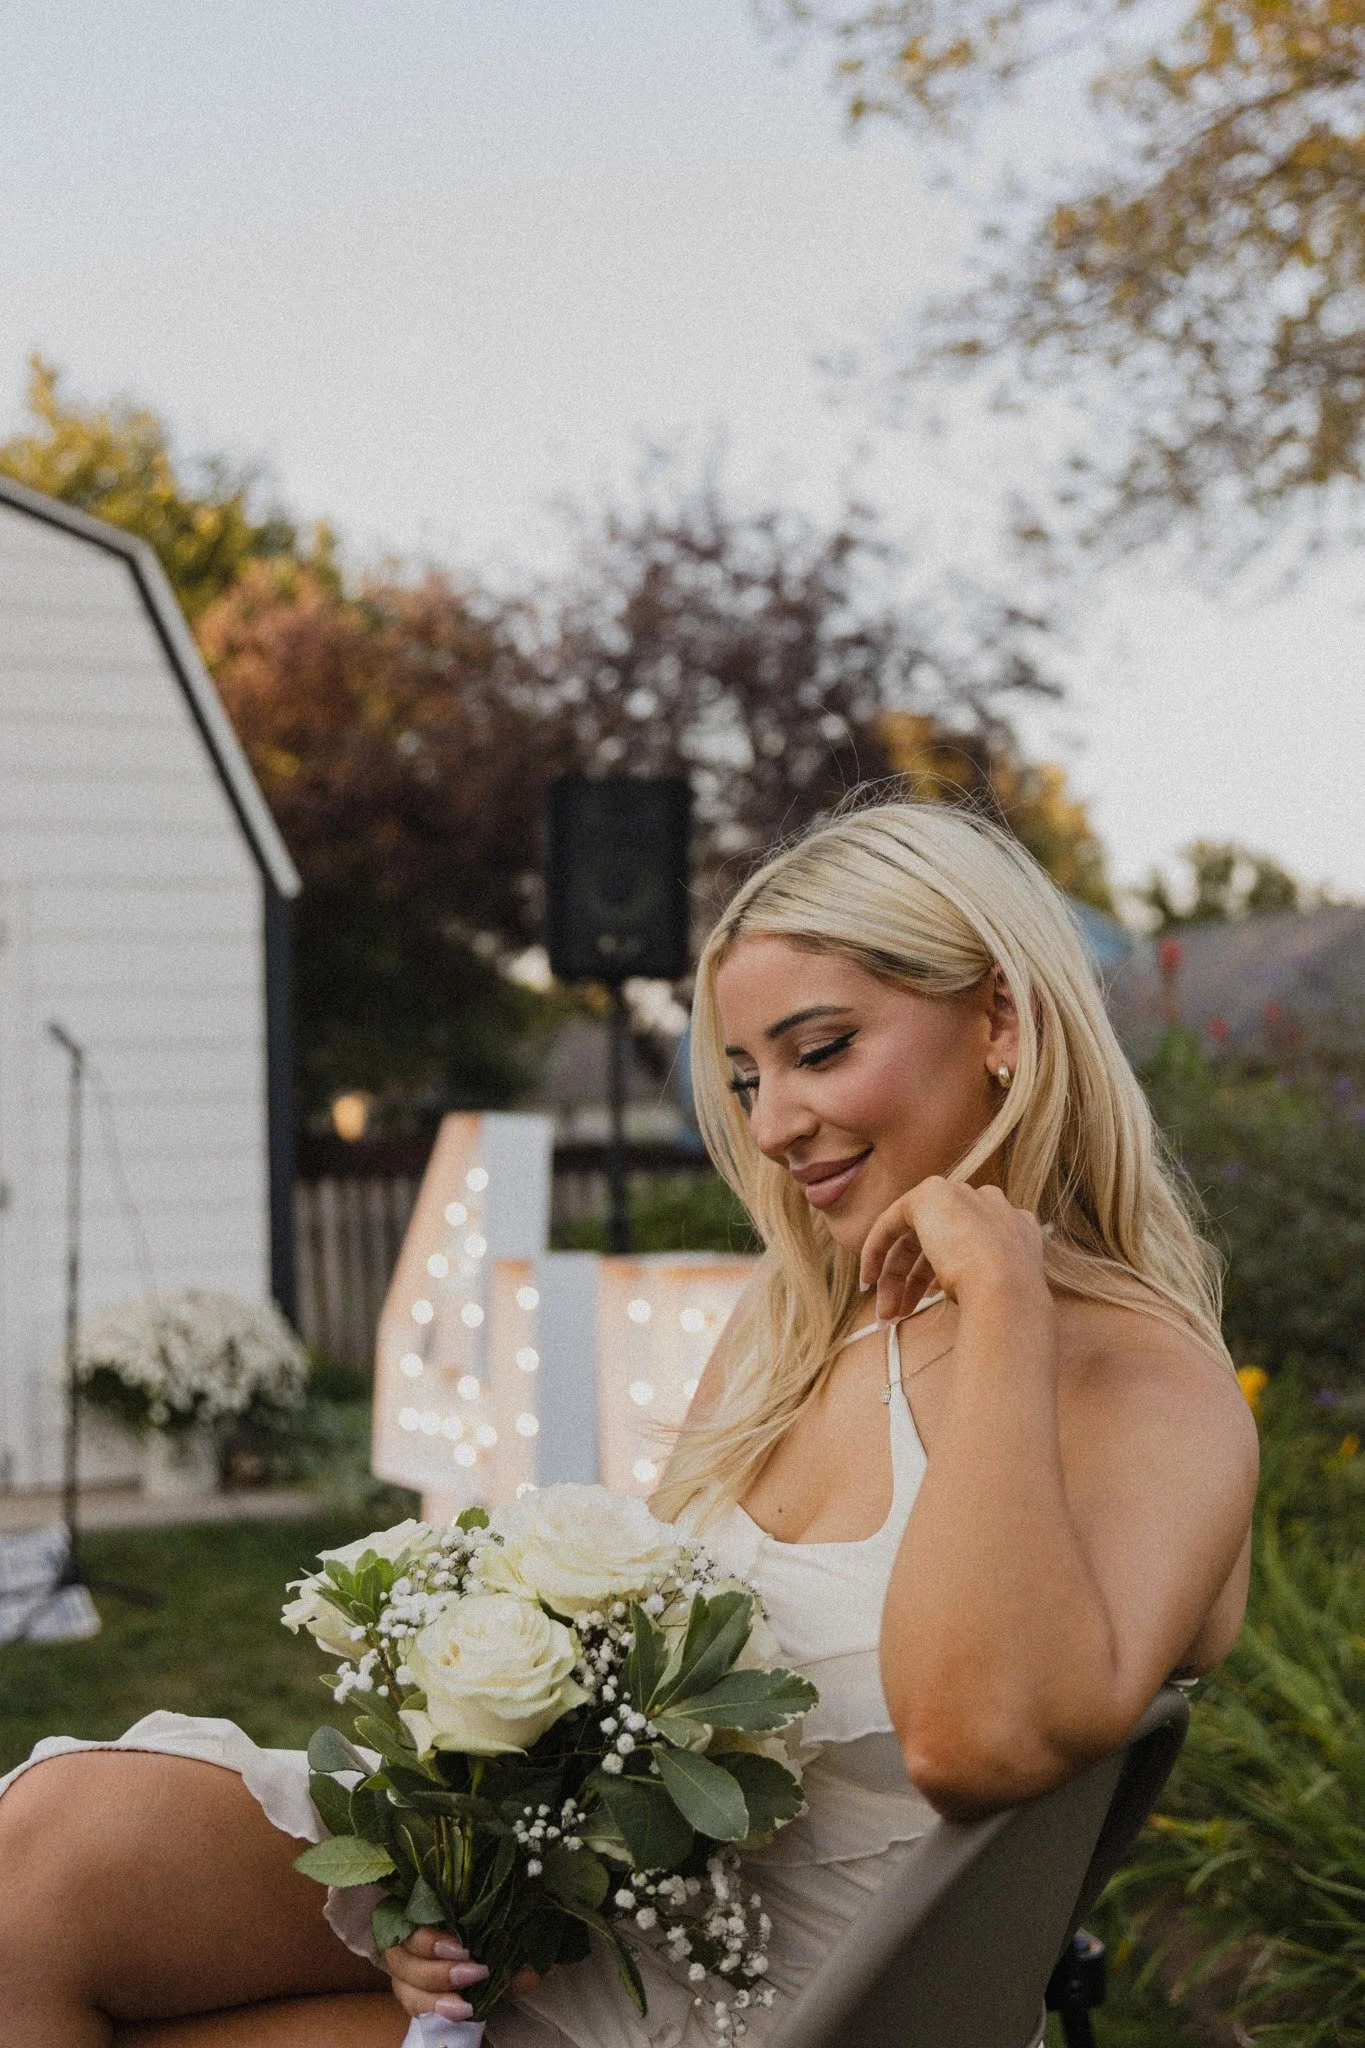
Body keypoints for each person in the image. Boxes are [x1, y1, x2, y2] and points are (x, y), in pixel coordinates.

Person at [0, 800, 1258, 2047]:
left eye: (820, 1052)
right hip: (583, 1940)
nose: (770, 1127)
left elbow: (975, 1739)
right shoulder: (794, 1327)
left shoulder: (1150, 1392)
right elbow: (628, 1706)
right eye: (749, 1076)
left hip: (781, 2011)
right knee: (44, 1862)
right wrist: (462, 1885)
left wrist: (1005, 1300)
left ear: (1002, 1018)